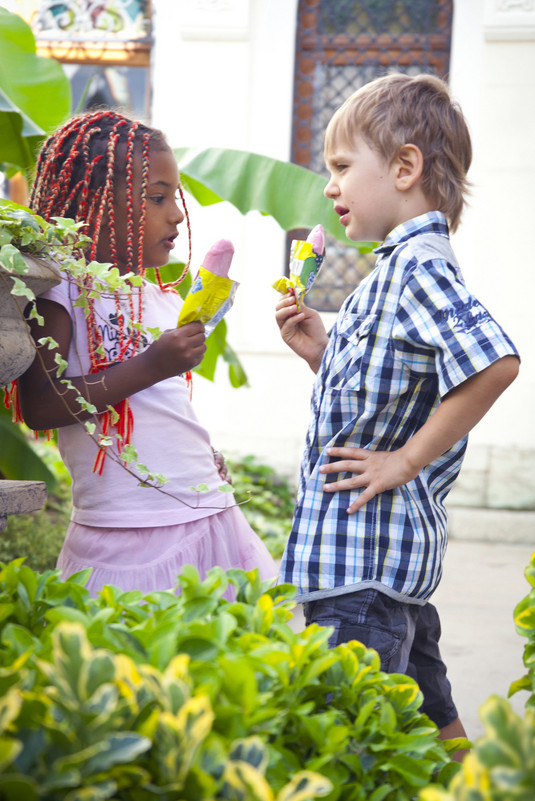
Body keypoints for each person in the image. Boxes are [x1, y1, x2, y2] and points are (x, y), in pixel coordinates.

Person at [275, 74, 519, 753]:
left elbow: (494, 362)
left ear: (405, 168)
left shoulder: (417, 268)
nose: (329, 187)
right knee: (431, 724)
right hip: (376, 570)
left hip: (362, 572)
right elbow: (379, 397)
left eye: (342, 167)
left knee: (353, 743)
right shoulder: (389, 271)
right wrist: (320, 354)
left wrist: (404, 460)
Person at [17, 109, 276, 597]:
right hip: (121, 532)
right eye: (156, 198)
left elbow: (163, 409)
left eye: (173, 198)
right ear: (93, 202)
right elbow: (41, 406)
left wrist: (201, 456)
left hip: (208, 514)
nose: (176, 213)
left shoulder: (158, 297)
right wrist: (152, 364)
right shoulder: (59, 292)